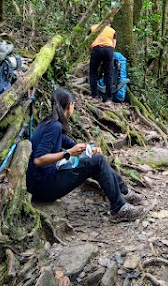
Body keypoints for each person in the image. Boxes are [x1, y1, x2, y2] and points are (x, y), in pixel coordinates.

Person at [26, 87, 146, 222]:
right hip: (44, 187)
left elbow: (70, 144)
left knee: (97, 159)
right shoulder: (54, 127)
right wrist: (68, 153)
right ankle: (119, 208)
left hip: (40, 183)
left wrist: (89, 149)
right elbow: (38, 160)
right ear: (70, 105)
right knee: (98, 161)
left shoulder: (49, 123)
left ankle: (124, 193)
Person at [89, 22, 117, 103]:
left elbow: (87, 40)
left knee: (93, 73)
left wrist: (92, 49)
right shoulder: (113, 31)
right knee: (108, 74)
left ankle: (94, 95)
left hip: (96, 49)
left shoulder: (93, 27)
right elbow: (113, 45)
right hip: (108, 50)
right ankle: (109, 98)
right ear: (109, 25)